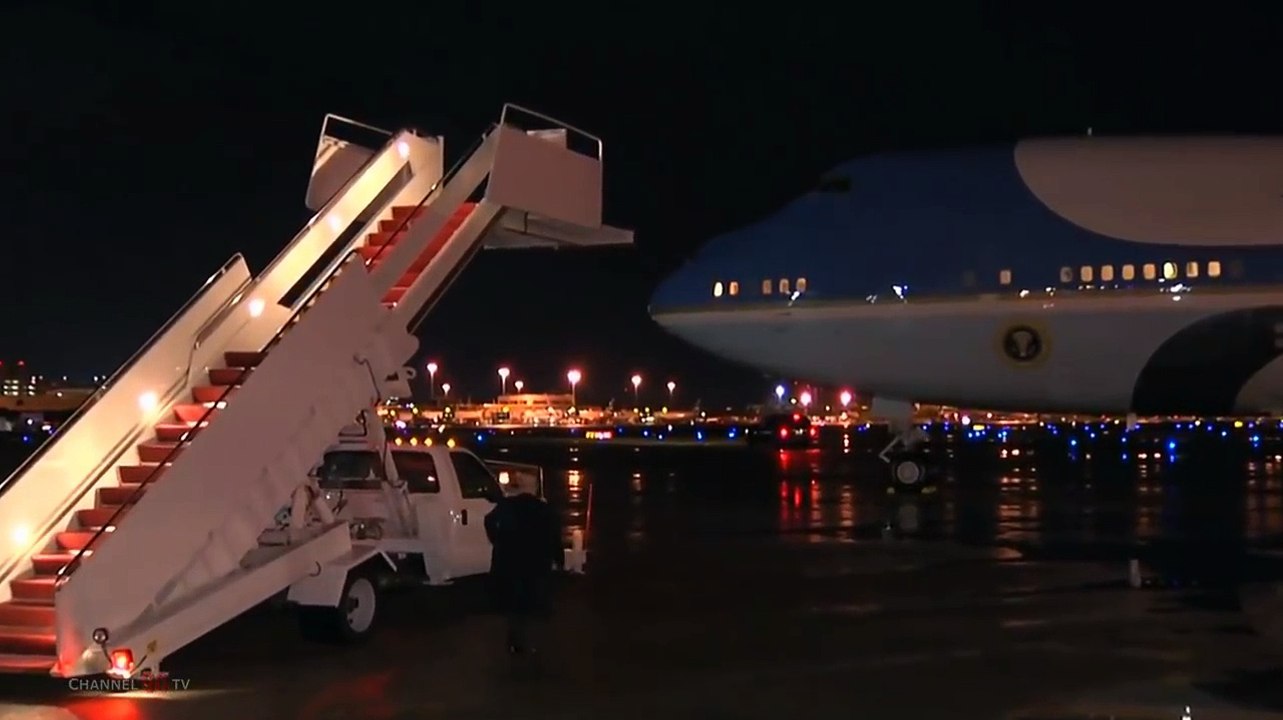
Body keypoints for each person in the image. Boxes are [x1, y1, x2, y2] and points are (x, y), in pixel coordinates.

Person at [484, 472, 563, 655]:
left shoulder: (507, 506)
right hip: (536, 561)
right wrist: (559, 559)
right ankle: (529, 643)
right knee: (532, 601)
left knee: (514, 602)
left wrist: (497, 539)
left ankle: (514, 640)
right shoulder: (544, 509)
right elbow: (554, 536)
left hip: (510, 559)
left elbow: (489, 520)